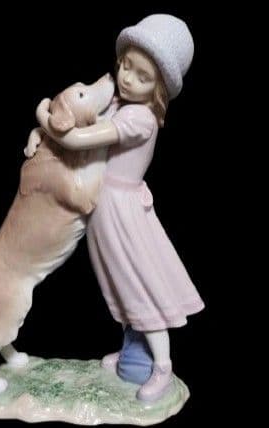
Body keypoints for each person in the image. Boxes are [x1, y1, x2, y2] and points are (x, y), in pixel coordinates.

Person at [36, 14, 204, 402]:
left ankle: (161, 366)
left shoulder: (140, 118)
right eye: (126, 66)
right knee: (119, 284)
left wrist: (44, 114)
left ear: (159, 89)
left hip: (121, 212)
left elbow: (76, 138)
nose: (127, 79)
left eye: (142, 77)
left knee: (139, 287)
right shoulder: (120, 102)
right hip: (104, 210)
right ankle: (133, 350)